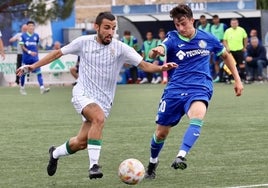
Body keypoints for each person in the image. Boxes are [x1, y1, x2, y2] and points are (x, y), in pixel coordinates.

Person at [16, 12, 177, 179]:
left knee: (81, 142)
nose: (110, 32)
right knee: (98, 118)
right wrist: (32, 67)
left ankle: (55, 153)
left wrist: (161, 68)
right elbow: (57, 54)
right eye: (107, 28)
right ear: (97, 27)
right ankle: (94, 166)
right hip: (83, 94)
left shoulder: (120, 48)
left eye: (113, 28)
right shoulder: (83, 42)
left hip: (105, 101)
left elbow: (144, 65)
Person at [144, 4, 243, 179]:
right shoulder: (172, 38)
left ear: (192, 20)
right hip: (175, 89)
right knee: (161, 133)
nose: (181, 28)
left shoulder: (208, 38)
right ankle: (153, 162)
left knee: (197, 116)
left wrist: (237, 79)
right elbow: (161, 48)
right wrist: (156, 51)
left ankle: (181, 156)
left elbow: (226, 56)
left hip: (200, 87)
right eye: (177, 25)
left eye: (183, 23)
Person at [19, 21, 50, 95]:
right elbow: (22, 47)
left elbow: (36, 45)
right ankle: (22, 88)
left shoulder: (36, 35)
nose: (31, 27)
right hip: (26, 58)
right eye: (30, 26)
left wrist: (36, 53)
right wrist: (29, 52)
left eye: (32, 26)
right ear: (27, 27)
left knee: (39, 72)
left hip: (35, 58)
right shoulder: (23, 36)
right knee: (23, 73)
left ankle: (42, 88)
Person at [223, 18, 248, 82]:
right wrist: (227, 47)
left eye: (235, 23)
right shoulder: (228, 31)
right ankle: (228, 79)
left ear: (237, 23)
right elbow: (224, 40)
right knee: (229, 65)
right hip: (230, 51)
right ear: (230, 24)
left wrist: (245, 47)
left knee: (242, 65)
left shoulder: (241, 30)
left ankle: (244, 78)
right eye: (232, 23)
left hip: (239, 50)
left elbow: (245, 38)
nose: (234, 24)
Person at [210, 15, 228, 83]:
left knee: (225, 60)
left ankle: (226, 75)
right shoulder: (212, 27)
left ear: (218, 19)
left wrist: (225, 45)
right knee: (216, 62)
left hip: (222, 44)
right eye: (214, 19)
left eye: (216, 19)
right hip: (215, 45)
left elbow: (227, 35)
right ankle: (218, 76)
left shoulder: (223, 26)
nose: (215, 20)